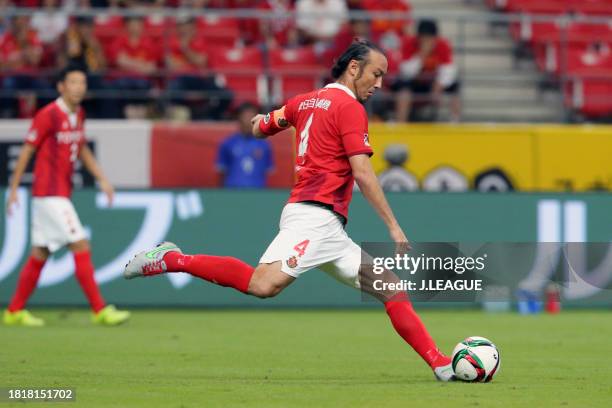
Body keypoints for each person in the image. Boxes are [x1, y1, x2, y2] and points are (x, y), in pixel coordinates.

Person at [124, 40, 455, 381]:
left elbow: (260, 126)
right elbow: (363, 173)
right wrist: (393, 226)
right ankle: (172, 259)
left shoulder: (303, 102)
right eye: (377, 74)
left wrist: (259, 120)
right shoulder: (351, 108)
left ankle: (440, 364)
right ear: (353, 68)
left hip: (326, 223)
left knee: (390, 287)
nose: (380, 84)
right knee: (262, 285)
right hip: (315, 216)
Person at [3, 66, 131, 327]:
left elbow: (81, 148)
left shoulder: (79, 114)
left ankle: (14, 310)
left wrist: (102, 178)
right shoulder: (48, 114)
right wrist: (13, 189)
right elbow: (28, 150)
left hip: (58, 193)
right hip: (50, 193)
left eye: (82, 82)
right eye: (73, 82)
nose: (78, 87)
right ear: (61, 86)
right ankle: (100, 309)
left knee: (40, 252)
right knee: (81, 244)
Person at [393, 19, 461, 122]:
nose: (427, 41)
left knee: (455, 87)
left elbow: (449, 68)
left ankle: (455, 122)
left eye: (429, 38)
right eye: (424, 38)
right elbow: (406, 72)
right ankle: (401, 123)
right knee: (403, 91)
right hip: (414, 81)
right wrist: (421, 55)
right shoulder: (409, 43)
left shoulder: (442, 45)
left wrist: (440, 84)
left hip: (434, 82)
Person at [216, 102, 274, 188]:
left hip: (258, 193)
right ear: (239, 118)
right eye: (246, 116)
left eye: (252, 116)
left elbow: (267, 171)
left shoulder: (265, 145)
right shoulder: (228, 143)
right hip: (232, 192)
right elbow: (222, 172)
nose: (249, 120)